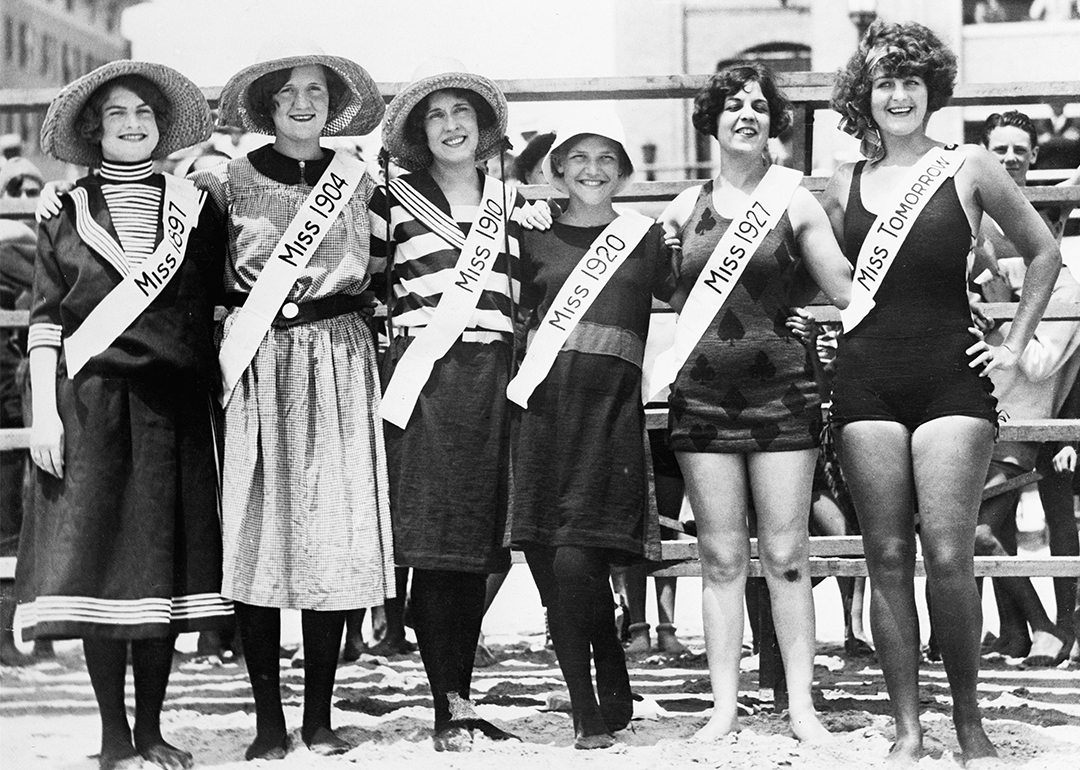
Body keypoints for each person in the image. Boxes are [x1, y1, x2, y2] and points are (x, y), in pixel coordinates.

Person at [823, 21, 1061, 764]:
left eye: (910, 80)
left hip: (951, 380)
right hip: (866, 381)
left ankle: (968, 723)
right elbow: (802, 266)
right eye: (884, 81)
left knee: (951, 554)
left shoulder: (970, 166)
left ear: (932, 91)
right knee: (886, 554)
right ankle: (907, 728)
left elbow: (1044, 251)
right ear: (866, 93)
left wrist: (1014, 348)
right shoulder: (842, 182)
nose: (897, 94)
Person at [19, 60, 231, 770]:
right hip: (91, 406)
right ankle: (113, 739)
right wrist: (44, 415)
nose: (133, 124)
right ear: (94, 129)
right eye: (117, 114)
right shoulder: (65, 210)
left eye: (144, 113)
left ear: (161, 126)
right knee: (101, 568)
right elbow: (46, 322)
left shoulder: (197, 208)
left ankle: (152, 732)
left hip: (173, 409)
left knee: (161, 575)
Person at [193, 41, 395, 759]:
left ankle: (318, 717)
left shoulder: (361, 181)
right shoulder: (231, 182)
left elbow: (383, 266)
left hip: (339, 356)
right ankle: (268, 723)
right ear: (268, 107)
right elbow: (207, 277)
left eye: (316, 92)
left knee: (331, 533)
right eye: (288, 95)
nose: (303, 104)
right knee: (259, 531)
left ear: (332, 105)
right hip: (259, 357)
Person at [647, 62, 851, 743]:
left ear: (773, 123)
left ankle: (802, 707)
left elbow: (848, 287)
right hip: (701, 398)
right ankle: (725, 707)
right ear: (711, 118)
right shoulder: (681, 207)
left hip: (782, 396)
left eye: (759, 107)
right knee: (722, 559)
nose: (746, 115)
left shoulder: (795, 202)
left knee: (790, 556)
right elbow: (646, 289)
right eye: (733, 105)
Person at [372, 58, 546, 752]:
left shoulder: (516, 205)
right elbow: (366, 278)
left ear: (483, 129)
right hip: (424, 376)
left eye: (462, 115)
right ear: (421, 131)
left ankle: (457, 688)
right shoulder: (391, 202)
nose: (450, 126)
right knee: (437, 544)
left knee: (487, 546)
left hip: (494, 372)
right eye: (436, 116)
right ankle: (451, 703)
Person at [509, 106, 673, 748]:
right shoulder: (528, 236)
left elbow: (700, 295)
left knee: (581, 556)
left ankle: (588, 703)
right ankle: (600, 678)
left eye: (607, 158)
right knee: (552, 560)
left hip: (609, 414)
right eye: (578, 157)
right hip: (543, 410)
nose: (592, 169)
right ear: (557, 168)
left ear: (625, 170)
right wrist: (518, 214)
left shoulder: (649, 238)